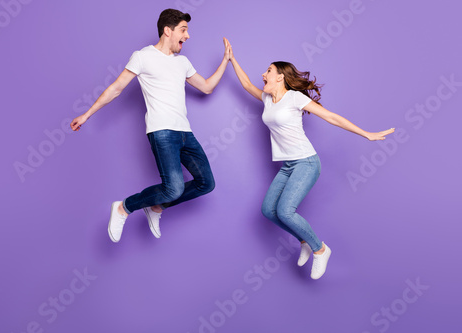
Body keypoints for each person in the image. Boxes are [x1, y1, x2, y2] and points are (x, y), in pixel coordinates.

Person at [225, 38, 394, 279]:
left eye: (269, 71)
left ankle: (320, 249)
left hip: (306, 162)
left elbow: (331, 117)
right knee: (267, 211)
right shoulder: (267, 99)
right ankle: (304, 240)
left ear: (281, 76)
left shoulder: (295, 98)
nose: (263, 74)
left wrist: (366, 134)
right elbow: (245, 85)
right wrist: (232, 59)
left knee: (284, 211)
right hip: (288, 166)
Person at [71, 9, 232, 242]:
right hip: (162, 132)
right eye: (183, 30)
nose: (187, 36)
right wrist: (87, 114)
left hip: (185, 132)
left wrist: (225, 60)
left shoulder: (182, 62)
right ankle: (124, 207)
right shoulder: (143, 56)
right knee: (173, 188)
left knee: (206, 183)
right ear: (168, 30)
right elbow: (116, 88)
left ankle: (156, 207)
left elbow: (206, 87)